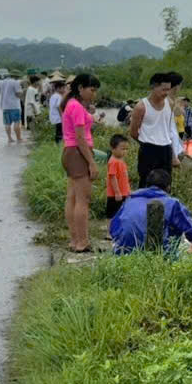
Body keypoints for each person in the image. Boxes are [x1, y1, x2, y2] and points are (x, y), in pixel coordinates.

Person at [110, 169, 192, 255]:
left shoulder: (130, 200)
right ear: (168, 187)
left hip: (123, 253)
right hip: (159, 256)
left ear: (147, 185)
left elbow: (114, 229)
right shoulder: (172, 203)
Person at [61, 73, 100, 254]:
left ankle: (75, 239)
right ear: (81, 88)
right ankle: (82, 241)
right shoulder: (76, 106)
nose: (94, 94)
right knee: (82, 200)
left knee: (73, 197)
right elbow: (80, 137)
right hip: (78, 153)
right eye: (92, 90)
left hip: (70, 152)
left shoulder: (71, 104)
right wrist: (91, 162)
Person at [130, 73, 180, 185]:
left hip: (166, 150)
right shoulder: (141, 107)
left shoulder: (170, 103)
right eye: (163, 90)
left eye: (168, 89)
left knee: (166, 183)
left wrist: (173, 155)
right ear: (153, 87)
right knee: (146, 182)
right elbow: (133, 132)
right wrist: (146, 142)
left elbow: (168, 131)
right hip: (148, 150)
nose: (166, 93)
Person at [104, 134, 131, 218]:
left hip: (123, 192)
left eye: (126, 149)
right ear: (113, 148)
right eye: (122, 149)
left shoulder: (120, 160)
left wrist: (128, 190)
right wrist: (117, 192)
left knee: (122, 214)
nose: (125, 151)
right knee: (114, 215)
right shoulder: (113, 162)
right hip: (116, 195)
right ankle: (111, 228)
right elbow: (112, 177)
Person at [0, 73, 23, 143]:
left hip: (5, 106)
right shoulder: (15, 82)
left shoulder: (2, 83)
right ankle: (19, 138)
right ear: (15, 76)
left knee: (7, 123)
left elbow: (0, 93)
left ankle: (9, 138)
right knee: (16, 122)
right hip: (14, 106)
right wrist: (22, 92)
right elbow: (18, 94)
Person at [47, 79, 66, 143]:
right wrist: (62, 116)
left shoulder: (53, 96)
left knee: (58, 132)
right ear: (58, 88)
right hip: (58, 118)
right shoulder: (59, 96)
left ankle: (58, 143)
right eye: (63, 88)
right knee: (60, 133)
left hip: (54, 117)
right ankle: (58, 144)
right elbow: (59, 106)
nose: (64, 90)